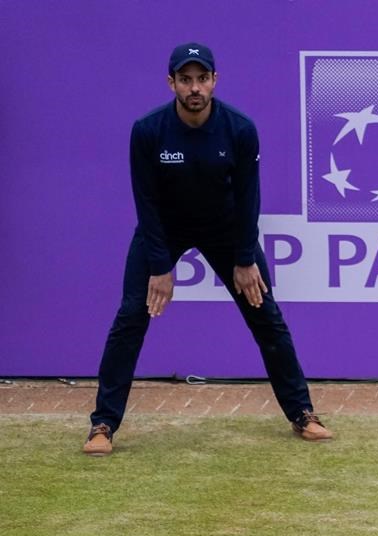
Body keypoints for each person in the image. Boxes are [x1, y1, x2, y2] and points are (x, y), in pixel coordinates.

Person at [83, 42, 332, 456]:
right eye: (185, 80)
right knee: (130, 319)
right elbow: (144, 200)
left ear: (214, 81)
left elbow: (250, 198)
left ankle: (302, 413)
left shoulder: (239, 129)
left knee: (266, 316)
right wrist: (160, 266)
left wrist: (244, 257)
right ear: (171, 84)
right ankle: (103, 424)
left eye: (202, 79)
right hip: (162, 229)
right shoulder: (147, 131)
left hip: (225, 229)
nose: (194, 88)